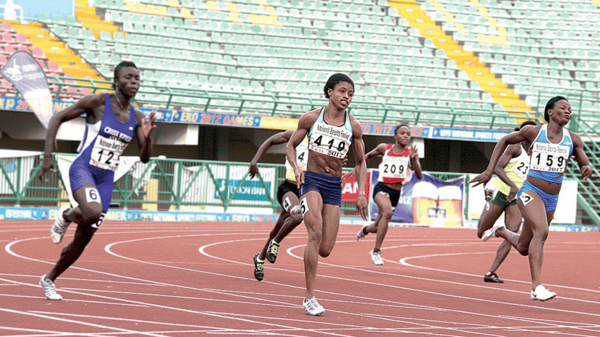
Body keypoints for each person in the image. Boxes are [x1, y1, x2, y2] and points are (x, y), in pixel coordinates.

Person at [37, 61, 157, 300]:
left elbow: (144, 159)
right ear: (116, 81)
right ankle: (66, 215)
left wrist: (148, 138)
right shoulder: (98, 103)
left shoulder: (138, 117)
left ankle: (49, 279)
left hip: (105, 179)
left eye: (137, 78)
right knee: (91, 212)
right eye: (129, 77)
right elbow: (57, 118)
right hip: (84, 169)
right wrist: (47, 155)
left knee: (83, 240)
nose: (134, 82)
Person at [471, 96, 592, 301]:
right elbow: (504, 140)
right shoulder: (534, 132)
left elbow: (583, 160)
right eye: (563, 108)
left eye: (570, 109)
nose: (568, 111)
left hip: (552, 197)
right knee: (542, 231)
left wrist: (585, 167)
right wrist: (489, 170)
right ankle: (537, 287)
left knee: (524, 247)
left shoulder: (573, 139)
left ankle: (501, 231)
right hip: (530, 190)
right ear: (550, 112)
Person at [286, 73, 368, 316]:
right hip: (311, 179)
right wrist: (297, 168)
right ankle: (309, 297)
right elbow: (291, 145)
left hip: (333, 184)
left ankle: (309, 220)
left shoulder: (353, 126)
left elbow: (361, 162)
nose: (346, 97)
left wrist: (361, 193)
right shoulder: (312, 118)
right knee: (315, 232)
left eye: (350, 94)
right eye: (342, 91)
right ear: (330, 92)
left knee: (326, 248)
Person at [353, 122, 422, 265]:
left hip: (396, 192)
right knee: (387, 214)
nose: (405, 136)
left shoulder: (410, 153)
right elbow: (367, 156)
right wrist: (357, 167)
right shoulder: (384, 148)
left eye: (408, 134)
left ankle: (366, 229)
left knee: (376, 227)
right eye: (402, 133)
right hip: (381, 188)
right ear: (395, 136)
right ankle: (376, 251)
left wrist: (415, 160)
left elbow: (419, 175)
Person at [477, 120, 536, 283]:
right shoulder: (515, 146)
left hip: (516, 199)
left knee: (512, 234)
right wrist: (512, 186)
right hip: (501, 193)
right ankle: (487, 200)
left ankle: (491, 272)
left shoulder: (536, 152)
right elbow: (497, 167)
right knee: (480, 232)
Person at [249, 130, 306, 281]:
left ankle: (260, 258)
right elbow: (270, 141)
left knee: (279, 226)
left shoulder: (322, 141)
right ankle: (275, 243)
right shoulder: (294, 134)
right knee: (297, 214)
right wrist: (254, 161)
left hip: (307, 191)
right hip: (289, 188)